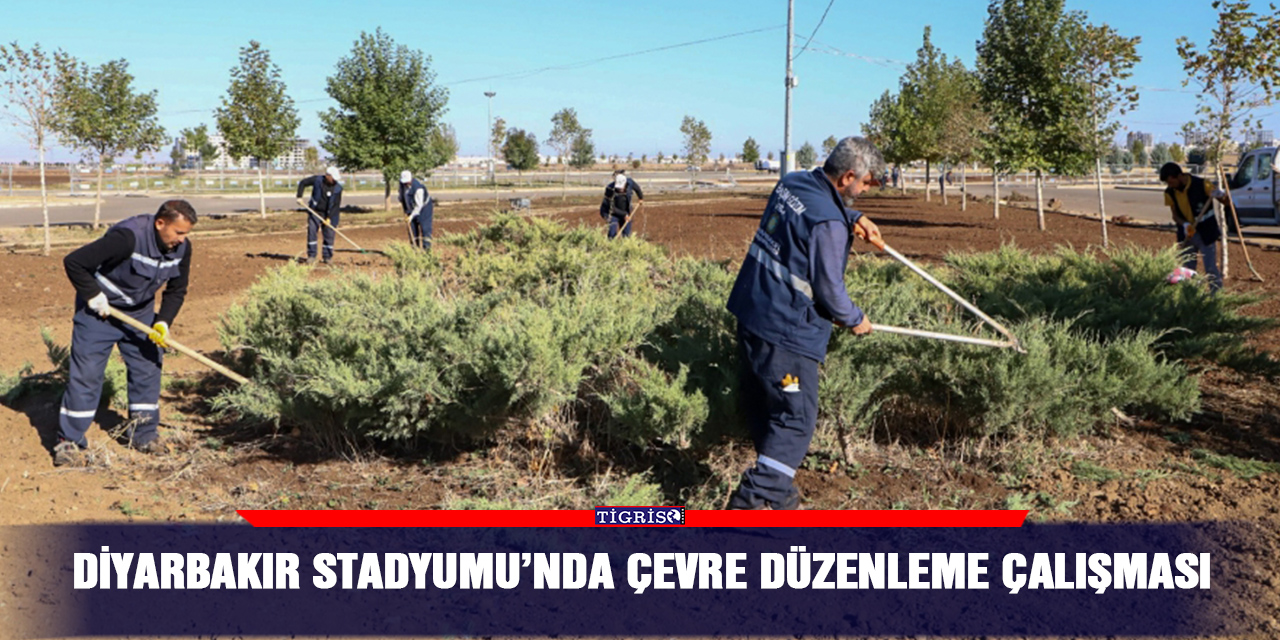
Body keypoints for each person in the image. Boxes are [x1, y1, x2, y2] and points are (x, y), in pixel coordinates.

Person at [724, 136, 884, 510]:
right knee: (795, 420)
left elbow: (810, 210)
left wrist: (854, 217)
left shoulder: (792, 182)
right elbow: (830, 290)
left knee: (771, 411)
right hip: (786, 337)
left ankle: (779, 502)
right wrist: (855, 318)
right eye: (865, 184)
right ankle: (749, 504)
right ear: (848, 177)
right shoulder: (829, 223)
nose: (865, 191)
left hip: (752, 316)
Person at [54, 200, 198, 465]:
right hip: (98, 313)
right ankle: (69, 442)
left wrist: (163, 322)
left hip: (139, 314)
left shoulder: (182, 249)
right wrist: (93, 295)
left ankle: (144, 434)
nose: (182, 239)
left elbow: (177, 290)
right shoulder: (127, 238)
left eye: (186, 233)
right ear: (160, 223)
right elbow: (74, 262)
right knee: (87, 375)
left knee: (147, 368)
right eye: (179, 232)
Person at [1159, 162, 1227, 292]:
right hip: (1187, 234)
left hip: (1206, 233)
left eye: (1171, 182)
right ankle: (1190, 296)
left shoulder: (1202, 184)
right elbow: (1175, 215)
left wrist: (1221, 195)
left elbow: (1225, 202)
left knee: (1210, 268)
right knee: (1187, 269)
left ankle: (1217, 296)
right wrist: (1185, 225)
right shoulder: (1169, 192)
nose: (1170, 185)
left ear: (1179, 176)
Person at [295, 167, 343, 264]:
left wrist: (329, 218)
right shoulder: (317, 180)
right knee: (312, 233)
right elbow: (303, 183)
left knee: (329, 235)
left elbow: (336, 205)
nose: (334, 180)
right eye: (333, 178)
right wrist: (299, 196)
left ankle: (327, 257)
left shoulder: (338, 188)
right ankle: (312, 255)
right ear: (327, 176)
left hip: (330, 214)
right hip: (315, 212)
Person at [600, 169, 644, 239]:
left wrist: (640, 197)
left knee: (627, 233)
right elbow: (611, 208)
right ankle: (611, 243)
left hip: (625, 210)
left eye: (621, 187)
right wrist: (624, 214)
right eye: (618, 188)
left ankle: (625, 243)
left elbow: (637, 188)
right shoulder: (610, 189)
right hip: (611, 212)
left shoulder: (630, 182)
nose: (620, 189)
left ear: (625, 183)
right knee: (612, 232)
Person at [398, 170, 433, 250]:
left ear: (411, 179)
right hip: (410, 208)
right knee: (412, 229)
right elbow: (401, 196)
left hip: (424, 209)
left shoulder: (418, 189)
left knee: (425, 229)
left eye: (407, 182)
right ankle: (414, 249)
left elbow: (418, 206)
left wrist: (411, 217)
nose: (406, 184)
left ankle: (427, 250)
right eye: (404, 182)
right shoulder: (402, 185)